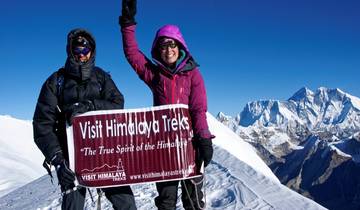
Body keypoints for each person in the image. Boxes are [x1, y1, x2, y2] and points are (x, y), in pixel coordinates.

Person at [119, 0, 214, 209]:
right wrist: (128, 24)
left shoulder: (193, 75)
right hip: (164, 148)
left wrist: (204, 139)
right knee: (166, 202)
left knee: (193, 201)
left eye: (172, 44)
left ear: (179, 46)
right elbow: (132, 54)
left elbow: (198, 109)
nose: (168, 49)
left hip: (190, 146)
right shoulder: (155, 75)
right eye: (163, 45)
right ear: (158, 49)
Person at [33, 28, 136, 210]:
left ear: (92, 51)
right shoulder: (56, 82)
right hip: (71, 160)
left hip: (106, 155)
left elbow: (117, 103)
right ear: (70, 50)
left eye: (85, 50)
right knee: (73, 206)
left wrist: (90, 106)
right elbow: (43, 125)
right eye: (77, 50)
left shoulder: (101, 77)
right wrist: (58, 160)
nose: (81, 55)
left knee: (126, 203)